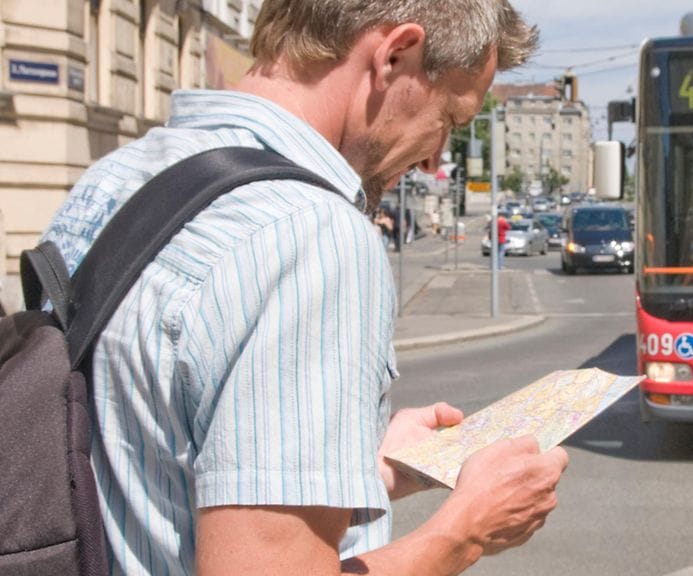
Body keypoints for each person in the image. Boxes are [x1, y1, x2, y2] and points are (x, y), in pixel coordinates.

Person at [39, 1, 568, 575]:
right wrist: (466, 530)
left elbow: (140, 465)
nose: (434, 159)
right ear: (395, 56)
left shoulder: (116, 176)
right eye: (450, 118)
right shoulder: (309, 234)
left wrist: (359, 466)